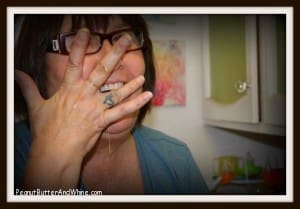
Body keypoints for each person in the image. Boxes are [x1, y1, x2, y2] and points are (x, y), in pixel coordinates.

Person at [14, 14, 209, 195]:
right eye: (82, 41)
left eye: (122, 37)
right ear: (38, 63)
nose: (112, 60)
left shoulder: (176, 158)